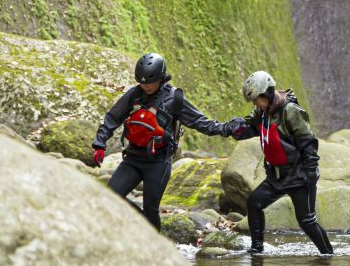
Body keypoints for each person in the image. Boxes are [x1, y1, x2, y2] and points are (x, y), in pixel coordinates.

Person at [91, 53, 245, 231]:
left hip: (158, 163)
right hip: (132, 159)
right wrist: (99, 143)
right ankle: (139, 227)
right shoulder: (135, 95)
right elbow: (112, 117)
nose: (145, 86)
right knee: (110, 197)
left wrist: (226, 128)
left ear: (160, 78)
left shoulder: (174, 99)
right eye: (141, 82)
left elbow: (200, 122)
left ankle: (156, 246)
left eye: (149, 82)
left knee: (150, 209)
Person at [231, 71, 333, 255]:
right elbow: (249, 128)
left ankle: (327, 256)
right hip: (276, 176)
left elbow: (308, 143)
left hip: (299, 176)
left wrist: (310, 175)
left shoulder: (289, 111)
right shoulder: (262, 113)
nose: (254, 104)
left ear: (267, 93)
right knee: (254, 203)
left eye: (256, 99)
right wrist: (232, 129)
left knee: (307, 221)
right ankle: (256, 250)